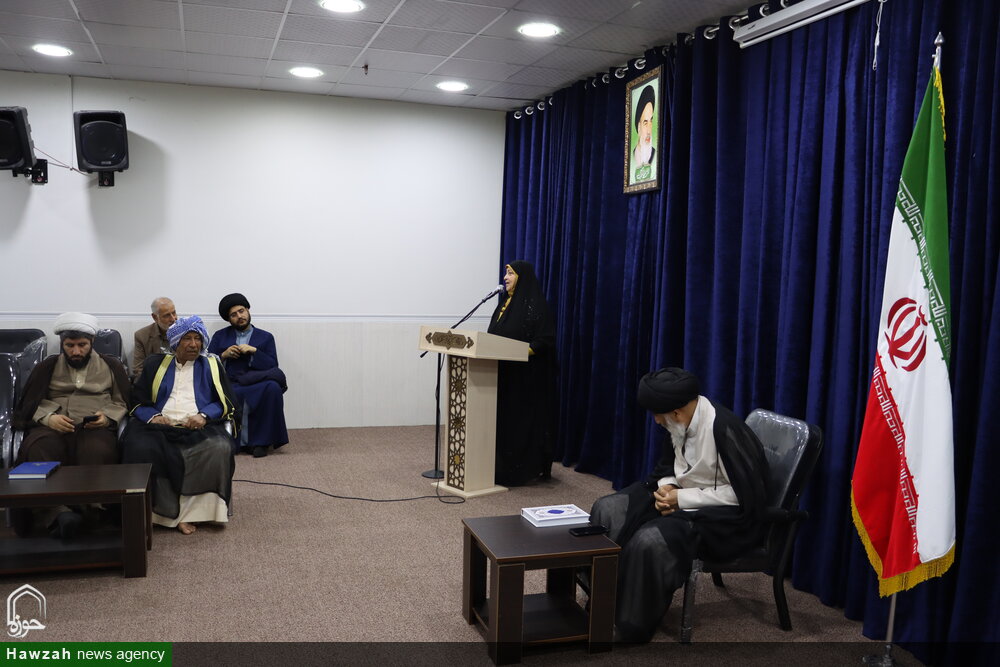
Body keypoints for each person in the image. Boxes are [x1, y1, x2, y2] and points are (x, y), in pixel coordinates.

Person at [589, 368, 768, 643]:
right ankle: (600, 599)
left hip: (725, 518)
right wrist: (668, 487)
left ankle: (629, 624)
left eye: (658, 415)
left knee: (651, 540)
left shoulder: (723, 429)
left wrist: (682, 500)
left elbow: (744, 495)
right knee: (610, 510)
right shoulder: (680, 422)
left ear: (676, 412)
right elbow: (668, 466)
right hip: (684, 497)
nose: (656, 421)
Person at [11, 312, 130, 538]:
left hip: (93, 428)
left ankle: (91, 513)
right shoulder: (47, 366)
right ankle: (56, 514)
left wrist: (106, 417)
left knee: (96, 450)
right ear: (62, 344)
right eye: (70, 345)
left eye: (82, 345)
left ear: (92, 342)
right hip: (52, 426)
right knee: (39, 448)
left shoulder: (111, 366)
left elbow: (121, 401)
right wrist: (48, 418)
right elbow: (29, 403)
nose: (76, 351)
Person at [124, 316, 239, 535]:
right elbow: (137, 400)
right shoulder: (155, 364)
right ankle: (156, 513)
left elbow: (226, 401)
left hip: (197, 425)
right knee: (139, 447)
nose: (194, 344)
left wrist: (204, 415)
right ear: (176, 342)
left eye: (198, 339)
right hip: (158, 425)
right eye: (188, 339)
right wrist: (153, 416)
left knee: (219, 447)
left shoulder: (211, 365)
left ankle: (192, 514)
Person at [486, 261, 557, 486]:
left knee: (518, 423)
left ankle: (520, 470)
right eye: (506, 273)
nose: (505, 277)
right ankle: (497, 466)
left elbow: (545, 340)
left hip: (525, 378)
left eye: (510, 273)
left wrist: (519, 352)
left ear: (522, 277)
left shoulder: (536, 305)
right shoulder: (504, 305)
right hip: (502, 373)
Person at [207, 293, 288, 458]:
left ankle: (262, 442)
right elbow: (207, 363)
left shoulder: (265, 337)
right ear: (229, 319)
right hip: (231, 382)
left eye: (241, 311)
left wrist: (254, 351)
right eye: (233, 315)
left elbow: (273, 365)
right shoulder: (220, 336)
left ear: (248, 310)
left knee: (272, 388)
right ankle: (237, 442)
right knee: (230, 393)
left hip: (256, 381)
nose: (239, 316)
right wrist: (224, 355)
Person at [132, 297, 177, 377]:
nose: (173, 319)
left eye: (174, 313)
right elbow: (138, 369)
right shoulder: (142, 336)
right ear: (155, 317)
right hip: (153, 379)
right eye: (167, 315)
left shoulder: (186, 332)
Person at [631, 84, 656, 167]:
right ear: (638, 127)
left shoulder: (655, 154)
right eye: (645, 123)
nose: (649, 131)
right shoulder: (632, 157)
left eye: (651, 121)